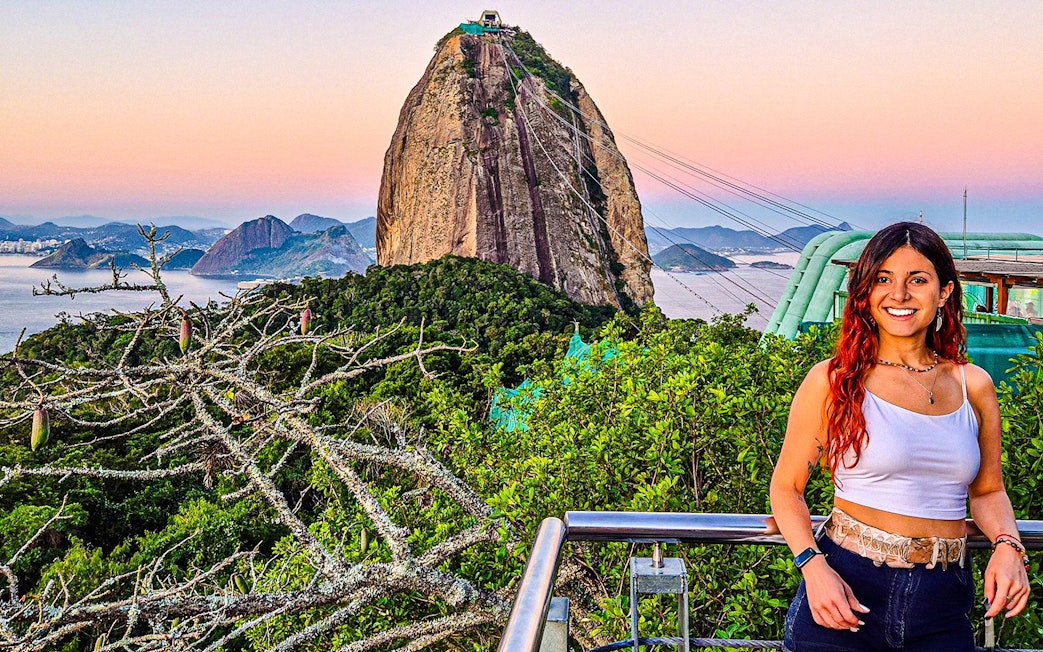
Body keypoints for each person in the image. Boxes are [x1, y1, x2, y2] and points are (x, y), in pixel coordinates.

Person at [770, 222, 1029, 651]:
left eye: (918, 280)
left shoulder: (974, 385)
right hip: (845, 593)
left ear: (944, 292)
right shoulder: (833, 381)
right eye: (883, 279)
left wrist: (1007, 546)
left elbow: (987, 491)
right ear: (866, 293)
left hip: (942, 600)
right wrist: (813, 568)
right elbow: (786, 488)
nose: (900, 294)